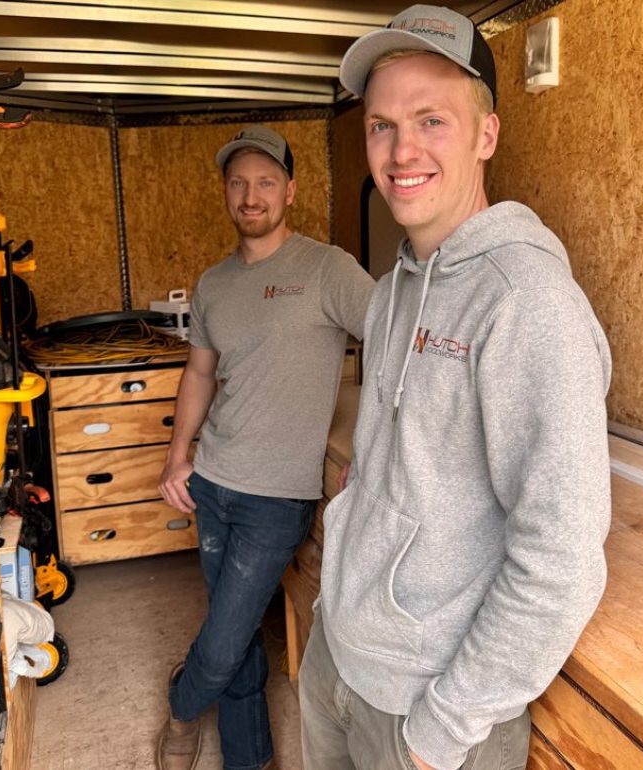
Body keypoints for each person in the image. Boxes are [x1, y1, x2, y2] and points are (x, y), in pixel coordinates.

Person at [299, 6, 612, 770]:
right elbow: (387, 466)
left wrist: (439, 734)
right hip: (339, 658)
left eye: (432, 119)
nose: (401, 150)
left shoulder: (527, 300)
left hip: (426, 711)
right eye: (380, 125)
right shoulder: (391, 289)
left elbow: (562, 557)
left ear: (487, 135)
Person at [156, 124, 375, 770]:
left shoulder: (327, 268)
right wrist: (178, 456)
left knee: (222, 642)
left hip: (277, 496)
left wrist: (379, 446)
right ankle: (249, 760)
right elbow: (199, 373)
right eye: (239, 184)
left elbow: (397, 348)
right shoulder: (215, 283)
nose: (251, 196)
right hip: (214, 481)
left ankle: (180, 705)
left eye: (266, 183)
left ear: (291, 190)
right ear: (227, 192)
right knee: (242, 631)